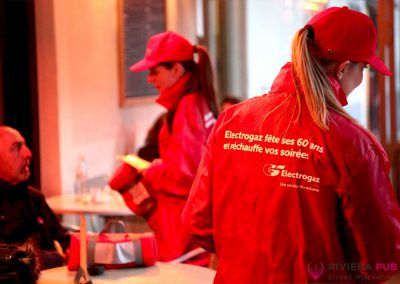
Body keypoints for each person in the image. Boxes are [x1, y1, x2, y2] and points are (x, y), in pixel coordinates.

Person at [183, 6, 400, 283]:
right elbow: (381, 257)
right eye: (364, 68)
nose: (361, 79)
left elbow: (200, 224)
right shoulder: (353, 143)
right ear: (344, 68)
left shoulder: (231, 122)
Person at [118, 31, 218, 265]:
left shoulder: (187, 108)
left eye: (155, 71)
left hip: (181, 231)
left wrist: (151, 170)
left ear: (177, 69)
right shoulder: (198, 102)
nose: (150, 79)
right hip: (191, 227)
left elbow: (184, 177)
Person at [0, 126, 69, 270]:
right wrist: (51, 259)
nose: (28, 153)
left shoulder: (34, 197)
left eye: (24, 145)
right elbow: (5, 259)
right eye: (16, 148)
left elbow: (64, 241)